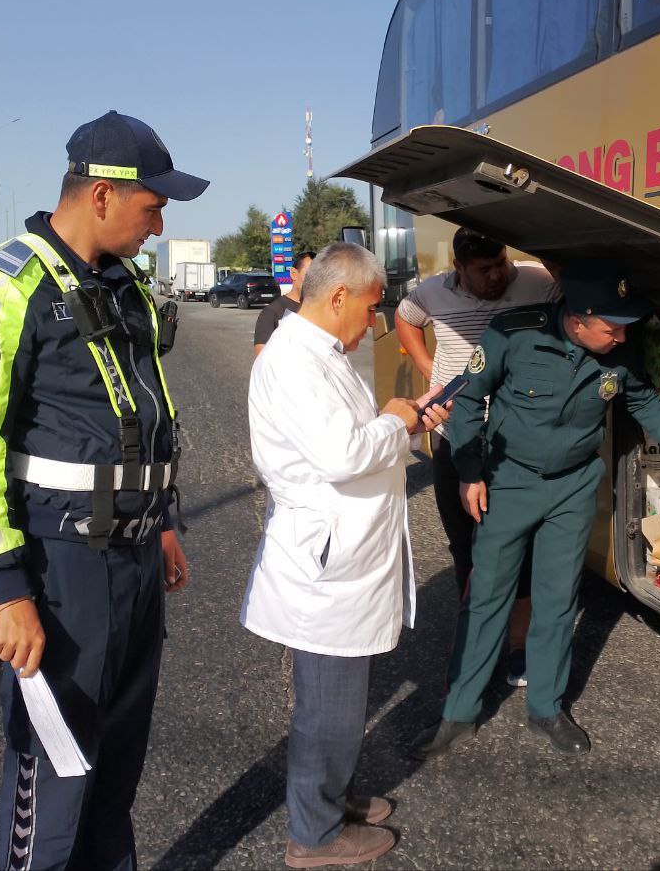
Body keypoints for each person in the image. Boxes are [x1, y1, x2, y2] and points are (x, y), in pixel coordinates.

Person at [0, 110, 208, 870]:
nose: (159, 222)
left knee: (116, 771)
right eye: (153, 205)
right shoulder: (1, 286)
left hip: (137, 556)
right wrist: (5, 588)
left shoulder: (125, 287)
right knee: (57, 779)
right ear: (104, 197)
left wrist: (164, 519)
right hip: (60, 570)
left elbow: (144, 415)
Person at [410, 258, 660, 760]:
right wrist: (471, 472)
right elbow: (471, 401)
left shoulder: (619, 345)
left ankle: (546, 707)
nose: (622, 338)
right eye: (611, 328)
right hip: (507, 483)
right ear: (577, 319)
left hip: (573, 488)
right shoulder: (512, 334)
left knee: (558, 599)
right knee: (487, 598)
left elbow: (642, 398)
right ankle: (458, 712)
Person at [241, 242, 450, 869]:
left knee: (341, 702)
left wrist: (399, 418)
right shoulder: (293, 360)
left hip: (344, 550)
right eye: (370, 307)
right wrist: (396, 421)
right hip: (327, 564)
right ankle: (315, 834)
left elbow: (351, 438)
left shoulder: (320, 352)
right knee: (328, 709)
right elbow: (342, 455)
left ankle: (334, 797)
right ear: (337, 296)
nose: (375, 322)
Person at [395, 228, 559, 686]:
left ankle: (519, 647)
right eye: (484, 269)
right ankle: (477, 639)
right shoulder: (432, 292)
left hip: (516, 437)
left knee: (521, 545)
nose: (497, 275)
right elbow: (404, 317)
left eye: (501, 263)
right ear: (458, 268)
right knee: (464, 543)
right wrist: (432, 370)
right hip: (455, 434)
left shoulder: (535, 280)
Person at [254, 250, 315, 357]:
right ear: (293, 273)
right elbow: (263, 359)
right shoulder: (272, 313)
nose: (315, 280)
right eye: (310, 274)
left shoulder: (322, 311)